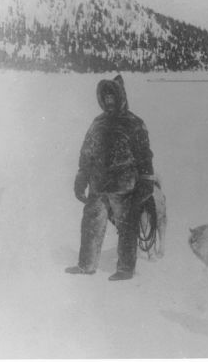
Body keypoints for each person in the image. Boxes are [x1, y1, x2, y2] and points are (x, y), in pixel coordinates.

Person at [65, 74, 155, 281]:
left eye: (112, 97)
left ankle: (125, 269)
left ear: (121, 97)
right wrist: (81, 176)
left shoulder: (134, 123)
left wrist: (147, 181)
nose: (109, 101)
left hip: (124, 187)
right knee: (90, 226)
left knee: (127, 227)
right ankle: (86, 265)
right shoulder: (97, 123)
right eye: (105, 98)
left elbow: (144, 155)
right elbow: (87, 152)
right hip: (98, 186)